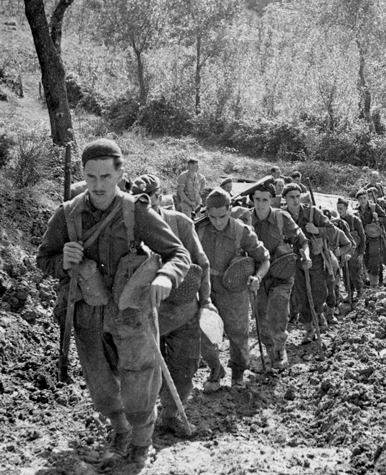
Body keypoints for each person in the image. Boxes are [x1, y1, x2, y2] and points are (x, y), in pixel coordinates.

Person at [37, 139, 191, 466]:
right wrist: (63, 261)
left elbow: (179, 254)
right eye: (91, 177)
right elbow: (43, 259)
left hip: (131, 312)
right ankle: (119, 429)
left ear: (120, 174)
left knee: (139, 377)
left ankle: (140, 440)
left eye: (105, 177)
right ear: (83, 175)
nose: (98, 185)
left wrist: (166, 277)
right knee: (101, 381)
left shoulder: (137, 212)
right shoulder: (67, 214)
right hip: (88, 314)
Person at [130, 174, 214, 437]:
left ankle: (172, 415)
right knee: (139, 371)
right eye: (139, 200)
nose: (147, 205)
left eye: (151, 198)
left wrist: (206, 301)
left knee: (184, 365)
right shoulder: (126, 227)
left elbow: (202, 263)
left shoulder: (179, 222)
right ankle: (138, 424)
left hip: (182, 311)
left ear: (159, 196)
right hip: (144, 315)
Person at [197, 189, 270, 388]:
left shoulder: (242, 231)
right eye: (212, 217)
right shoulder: (199, 230)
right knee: (203, 332)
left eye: (222, 216)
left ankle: (237, 373)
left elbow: (264, 259)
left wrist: (257, 277)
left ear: (230, 210)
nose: (218, 222)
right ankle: (215, 369)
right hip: (206, 287)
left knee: (238, 333)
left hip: (234, 289)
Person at [250, 182, 310, 369]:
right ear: (252, 199)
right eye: (257, 199)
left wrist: (306, 256)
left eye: (265, 200)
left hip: (281, 274)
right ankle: (269, 351)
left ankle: (279, 352)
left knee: (277, 313)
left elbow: (301, 241)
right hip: (258, 275)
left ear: (272, 200)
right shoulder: (245, 219)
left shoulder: (281, 218)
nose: (260, 204)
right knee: (261, 316)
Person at [284, 183, 334, 342]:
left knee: (319, 291)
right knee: (300, 296)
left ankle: (320, 316)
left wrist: (317, 230)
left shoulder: (312, 213)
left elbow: (332, 231)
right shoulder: (281, 216)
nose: (295, 200)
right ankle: (309, 330)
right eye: (291, 197)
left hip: (315, 261)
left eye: (297, 196)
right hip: (293, 262)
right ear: (285, 199)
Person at [322, 209, 353, 324]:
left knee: (332, 288)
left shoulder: (336, 232)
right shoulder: (315, 232)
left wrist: (341, 252)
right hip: (319, 264)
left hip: (333, 265)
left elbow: (348, 244)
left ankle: (331, 312)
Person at [356, 188, 386, 287]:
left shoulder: (374, 207)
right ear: (358, 200)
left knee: (375, 258)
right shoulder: (356, 211)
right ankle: (373, 279)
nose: (363, 200)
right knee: (367, 259)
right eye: (360, 199)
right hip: (364, 238)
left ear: (367, 198)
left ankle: (376, 282)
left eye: (364, 198)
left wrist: (377, 218)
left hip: (375, 237)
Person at [337, 197, 366, 301]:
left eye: (341, 208)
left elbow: (362, 237)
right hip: (344, 249)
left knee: (354, 271)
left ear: (346, 208)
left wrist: (361, 253)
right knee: (345, 271)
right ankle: (349, 293)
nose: (339, 211)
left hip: (355, 250)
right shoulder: (338, 221)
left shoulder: (355, 220)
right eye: (338, 208)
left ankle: (359, 291)